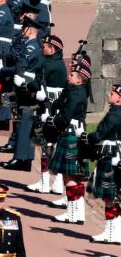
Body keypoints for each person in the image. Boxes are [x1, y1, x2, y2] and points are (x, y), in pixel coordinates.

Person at [45, 63, 91, 225]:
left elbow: (65, 117)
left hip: (70, 135)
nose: (68, 76)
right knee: (76, 178)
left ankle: (71, 214)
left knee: (69, 176)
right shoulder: (79, 91)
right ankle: (79, 213)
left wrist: (52, 121)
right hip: (76, 134)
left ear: (79, 80)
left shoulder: (75, 95)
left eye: (72, 75)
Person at [24, 34, 68, 194]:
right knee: (53, 146)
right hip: (54, 108)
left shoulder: (48, 65)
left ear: (52, 49)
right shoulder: (58, 64)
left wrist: (24, 85)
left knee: (46, 145)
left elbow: (37, 84)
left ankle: (44, 183)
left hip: (48, 109)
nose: (42, 48)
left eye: (45, 46)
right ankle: (56, 183)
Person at [0, 17, 44, 171]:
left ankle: (22, 158)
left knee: (24, 123)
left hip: (26, 88)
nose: (21, 30)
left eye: (24, 28)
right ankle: (21, 157)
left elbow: (21, 66)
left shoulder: (32, 47)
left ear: (30, 30)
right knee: (20, 122)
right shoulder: (27, 44)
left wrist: (3, 71)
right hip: (22, 86)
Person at [81, 84, 121, 243]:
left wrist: (87, 137)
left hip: (110, 155)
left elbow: (99, 134)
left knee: (108, 196)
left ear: (119, 98)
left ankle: (110, 234)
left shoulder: (114, 114)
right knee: (115, 195)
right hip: (116, 154)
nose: (108, 95)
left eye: (112, 93)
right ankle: (116, 232)